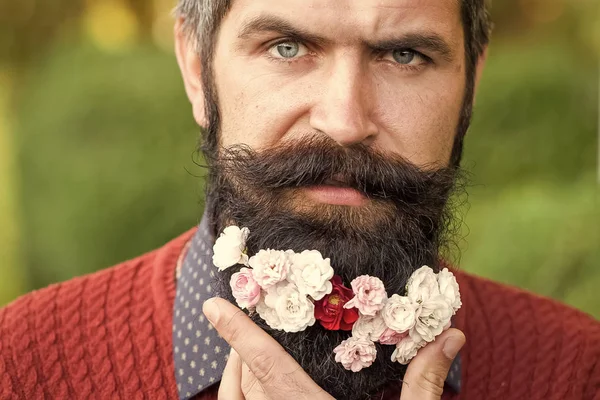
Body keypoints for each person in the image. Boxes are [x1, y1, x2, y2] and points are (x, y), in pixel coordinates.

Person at [1, 0, 599, 399]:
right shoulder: (25, 368)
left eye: (404, 55)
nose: (344, 120)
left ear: (471, 82)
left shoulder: (575, 374)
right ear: (194, 65)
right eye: (287, 47)